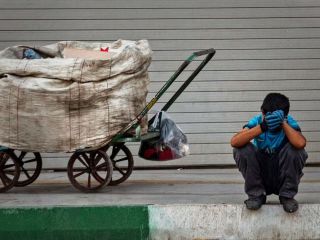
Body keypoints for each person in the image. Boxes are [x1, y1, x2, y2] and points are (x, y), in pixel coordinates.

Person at [230, 93, 308, 213]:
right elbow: (235, 141)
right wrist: (262, 126)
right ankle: (256, 195)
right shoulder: (257, 121)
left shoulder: (289, 122)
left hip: (281, 176)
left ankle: (287, 196)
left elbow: (300, 143)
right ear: (263, 112)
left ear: (285, 115)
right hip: (261, 176)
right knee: (241, 149)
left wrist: (282, 123)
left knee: (296, 151)